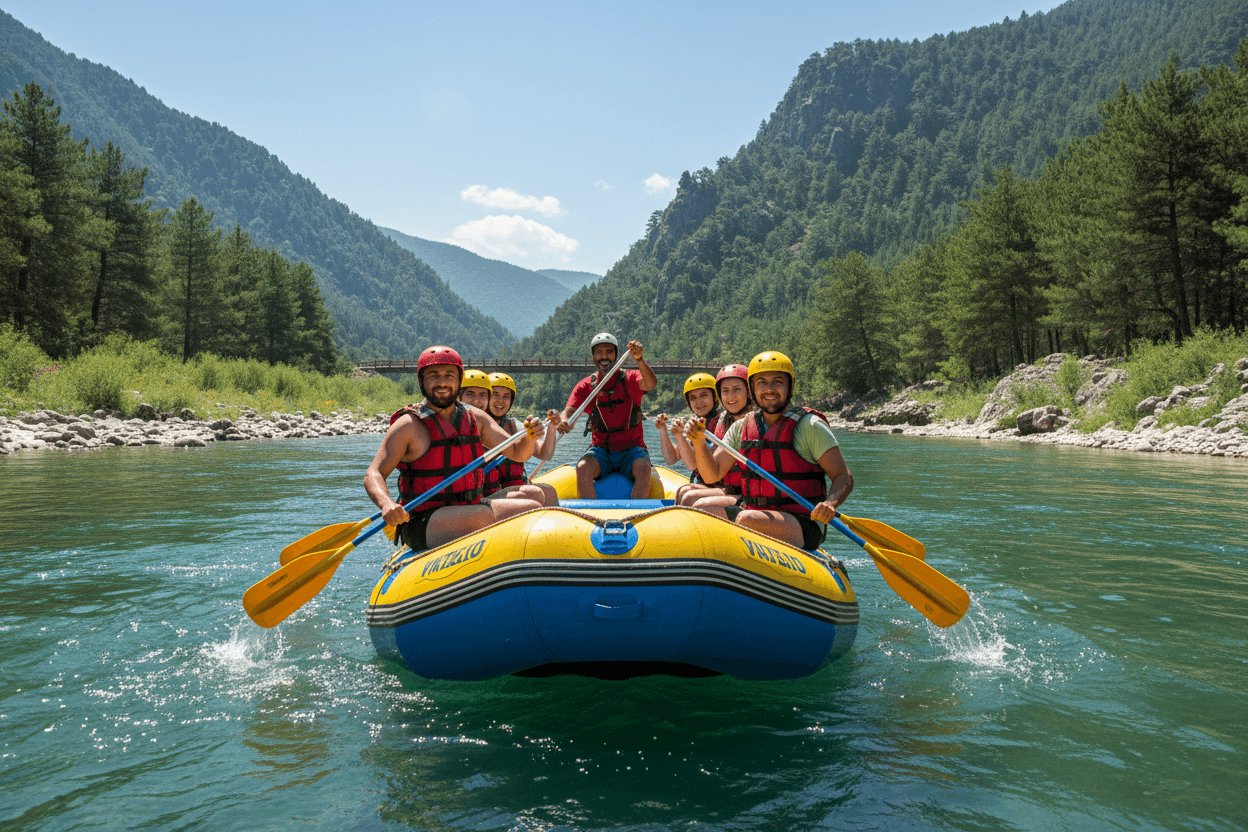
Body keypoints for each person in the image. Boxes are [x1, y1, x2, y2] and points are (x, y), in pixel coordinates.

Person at [365, 346, 544, 551]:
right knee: (481, 516)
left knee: (534, 506)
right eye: (433, 375)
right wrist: (386, 504)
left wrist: (530, 437)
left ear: (459, 381)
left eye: (449, 375)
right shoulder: (408, 425)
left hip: (469, 508)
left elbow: (517, 453)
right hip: (422, 521)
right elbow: (373, 473)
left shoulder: (475, 418)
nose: (442, 382)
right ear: (421, 381)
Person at [686, 351, 853, 551]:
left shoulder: (809, 425)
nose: (769, 389)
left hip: (802, 521)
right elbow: (712, 473)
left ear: (789, 387)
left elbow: (843, 476)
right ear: (752, 390)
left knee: (748, 519)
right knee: (701, 509)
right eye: (761, 383)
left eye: (777, 382)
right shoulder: (742, 426)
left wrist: (831, 503)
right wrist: (698, 443)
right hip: (755, 511)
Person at [556, 332, 657, 499]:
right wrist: (565, 421)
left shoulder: (630, 378)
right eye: (599, 352)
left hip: (632, 449)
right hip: (601, 450)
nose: (604, 357)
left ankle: (636, 516)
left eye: (609, 352)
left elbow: (650, 383)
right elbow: (569, 411)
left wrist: (639, 359)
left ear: (616, 355)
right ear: (593, 356)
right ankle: (590, 516)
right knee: (582, 467)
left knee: (644, 467)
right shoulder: (586, 386)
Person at [683, 364, 755, 510]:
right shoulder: (724, 421)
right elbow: (712, 471)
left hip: (752, 494)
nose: (730, 396)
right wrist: (698, 442)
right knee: (687, 495)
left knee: (699, 503)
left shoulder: (757, 421)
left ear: (748, 392)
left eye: (736, 389)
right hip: (732, 489)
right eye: (725, 391)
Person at [484, 371, 560, 506]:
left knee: (548, 491)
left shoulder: (514, 425)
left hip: (513, 487)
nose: (501, 401)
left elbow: (545, 454)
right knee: (530, 495)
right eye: (495, 395)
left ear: (511, 401)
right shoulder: (478, 425)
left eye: (506, 396)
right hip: (489, 493)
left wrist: (552, 428)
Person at [667, 373, 723, 506]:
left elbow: (693, 465)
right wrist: (675, 434)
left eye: (704, 395)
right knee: (682, 491)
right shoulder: (694, 424)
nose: (698, 402)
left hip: (721, 486)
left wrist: (682, 435)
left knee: (686, 494)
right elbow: (672, 460)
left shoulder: (723, 423)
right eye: (693, 398)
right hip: (703, 483)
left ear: (715, 398)